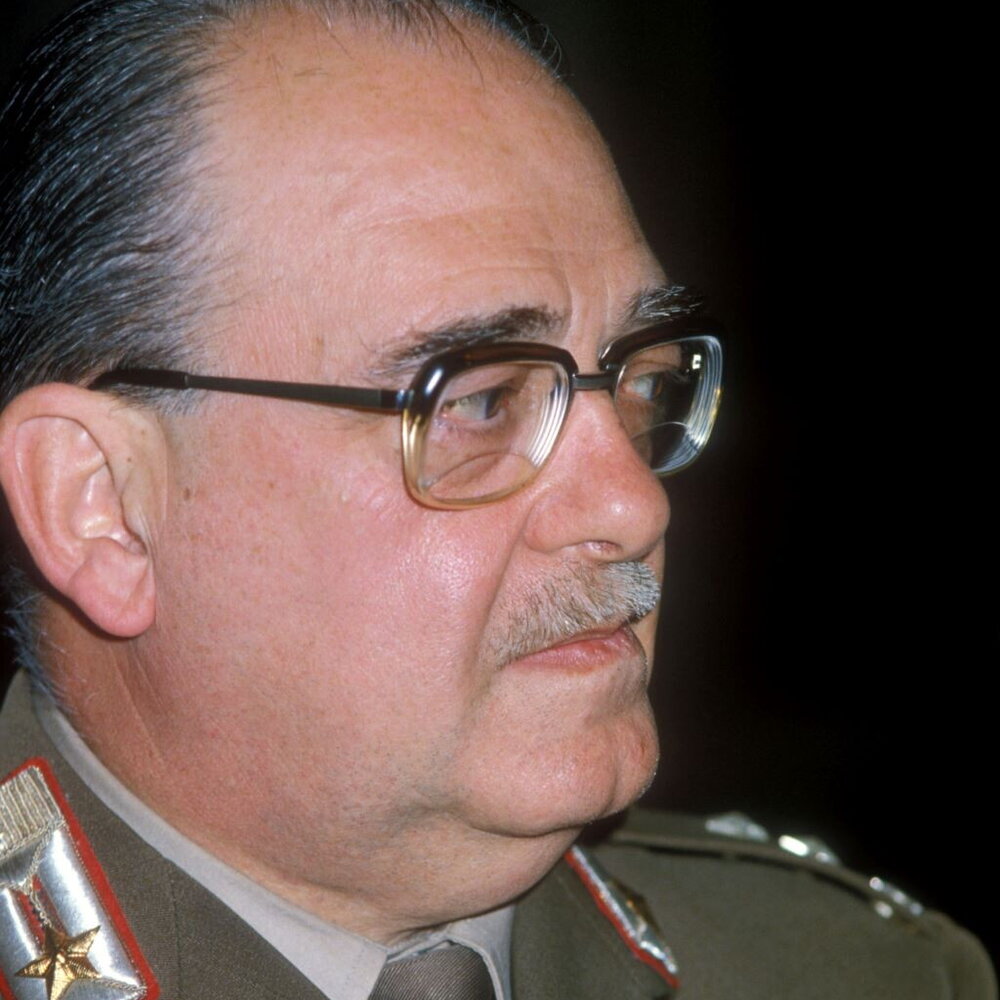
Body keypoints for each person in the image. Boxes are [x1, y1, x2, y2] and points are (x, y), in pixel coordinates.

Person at [0, 1, 993, 998]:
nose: (632, 506)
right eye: (478, 403)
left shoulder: (860, 973)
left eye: (640, 380)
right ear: (103, 507)